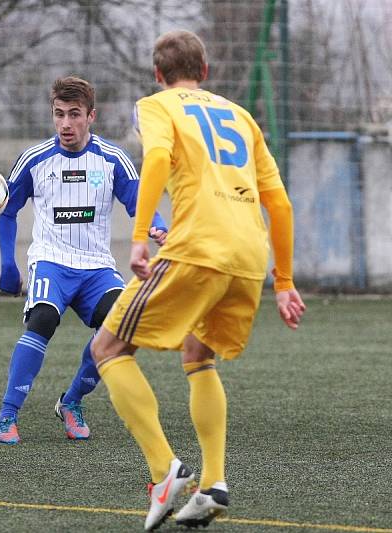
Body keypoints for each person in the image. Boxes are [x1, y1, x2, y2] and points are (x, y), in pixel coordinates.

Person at [89, 30, 306, 530]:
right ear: (205, 72)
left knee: (108, 349)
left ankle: (164, 470)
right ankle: (213, 483)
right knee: (198, 354)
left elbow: (159, 157)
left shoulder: (157, 104)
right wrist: (286, 280)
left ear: (158, 75)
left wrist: (140, 235)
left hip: (198, 246)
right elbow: (280, 201)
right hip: (250, 256)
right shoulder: (242, 116)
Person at [0, 76, 168, 444]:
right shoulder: (36, 159)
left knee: (120, 329)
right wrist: (8, 264)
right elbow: (8, 211)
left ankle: (71, 402)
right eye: (59, 114)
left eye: (74, 114)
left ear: (92, 116)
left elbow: (139, 199)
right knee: (42, 318)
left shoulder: (112, 158)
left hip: (97, 267)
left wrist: (157, 226)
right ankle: (7, 415)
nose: (65, 124)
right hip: (51, 261)